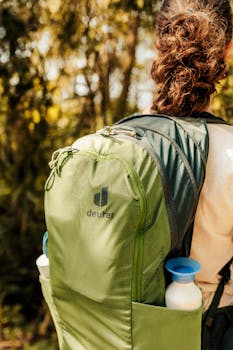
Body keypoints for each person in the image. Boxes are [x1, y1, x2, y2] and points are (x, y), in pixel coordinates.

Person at [144, 0, 233, 348]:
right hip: (213, 330)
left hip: (130, 333)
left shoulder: (118, 142)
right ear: (227, 50)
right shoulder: (228, 151)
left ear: (158, 45)